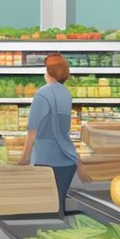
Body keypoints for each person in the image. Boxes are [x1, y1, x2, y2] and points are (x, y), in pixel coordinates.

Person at [19, 53, 80, 208]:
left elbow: (33, 130)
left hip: (45, 159)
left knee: (42, 207)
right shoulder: (66, 93)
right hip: (66, 158)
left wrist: (24, 159)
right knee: (58, 204)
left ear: (50, 73)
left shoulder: (43, 94)